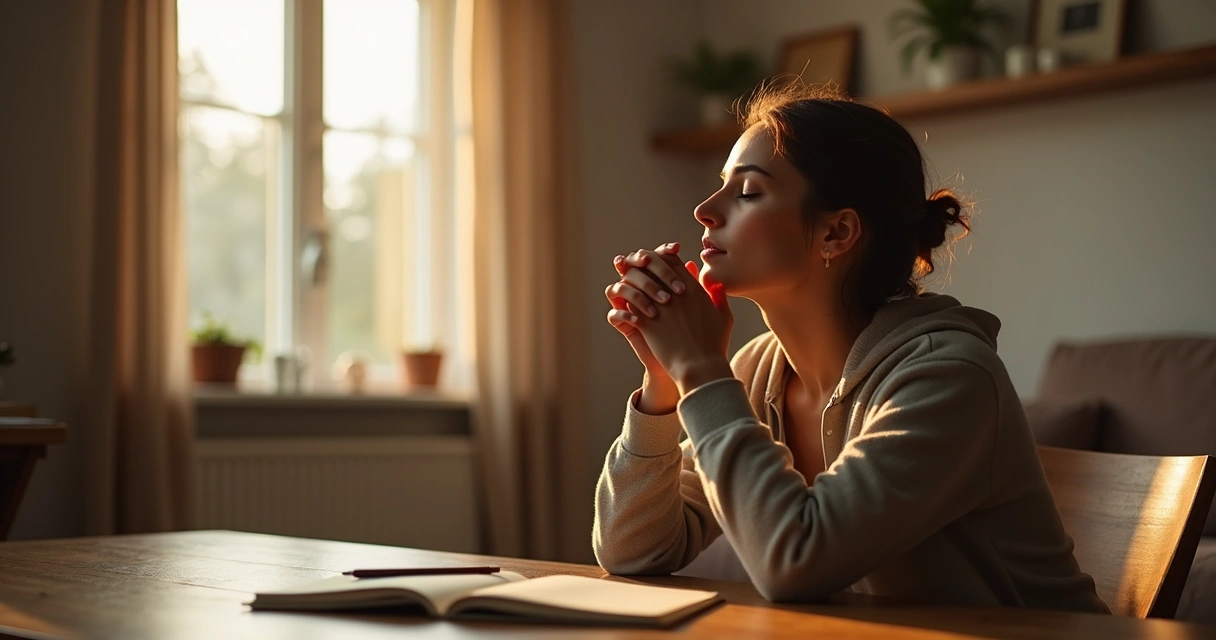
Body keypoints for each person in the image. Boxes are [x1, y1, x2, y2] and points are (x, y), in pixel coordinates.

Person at [593, 84, 1109, 612]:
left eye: (747, 191)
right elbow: (633, 550)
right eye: (721, 186)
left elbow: (796, 563)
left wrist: (700, 368)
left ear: (837, 232)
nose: (705, 210)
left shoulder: (949, 376)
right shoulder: (758, 370)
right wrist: (664, 384)